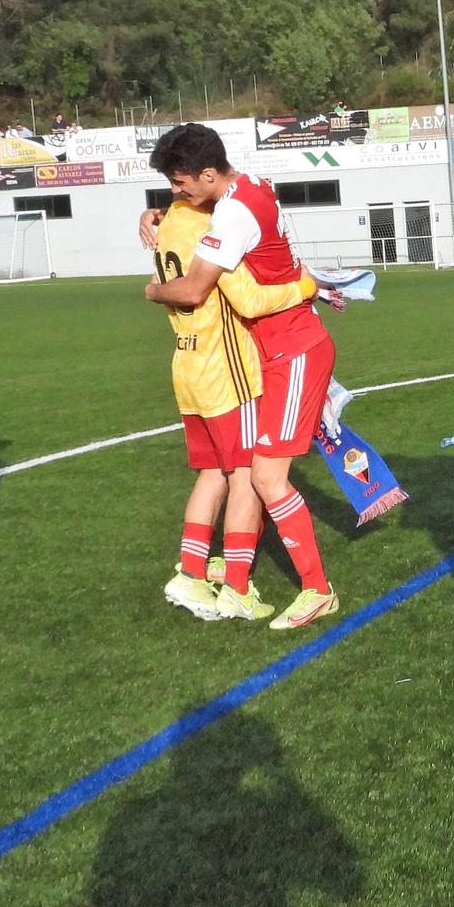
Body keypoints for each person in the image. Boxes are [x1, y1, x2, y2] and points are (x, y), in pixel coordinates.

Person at [140, 125, 341, 629]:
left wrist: (151, 292)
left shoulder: (232, 213)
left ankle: (316, 590)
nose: (176, 191)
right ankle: (237, 579)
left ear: (209, 174)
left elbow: (195, 292)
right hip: (272, 352)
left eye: (181, 183)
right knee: (252, 472)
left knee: (265, 476)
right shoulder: (245, 189)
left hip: (292, 350)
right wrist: (161, 215)